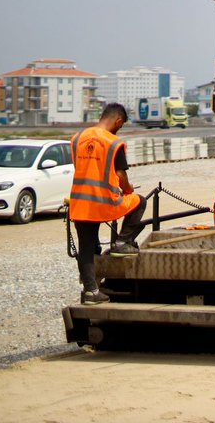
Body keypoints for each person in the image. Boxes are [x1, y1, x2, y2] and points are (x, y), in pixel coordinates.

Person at [68, 103, 148, 305]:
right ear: (118, 121)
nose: (119, 129)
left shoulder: (77, 138)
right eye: (120, 126)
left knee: (86, 248)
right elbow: (121, 175)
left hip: (80, 202)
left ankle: (91, 292)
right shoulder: (113, 143)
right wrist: (128, 190)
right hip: (105, 203)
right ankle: (121, 242)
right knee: (140, 201)